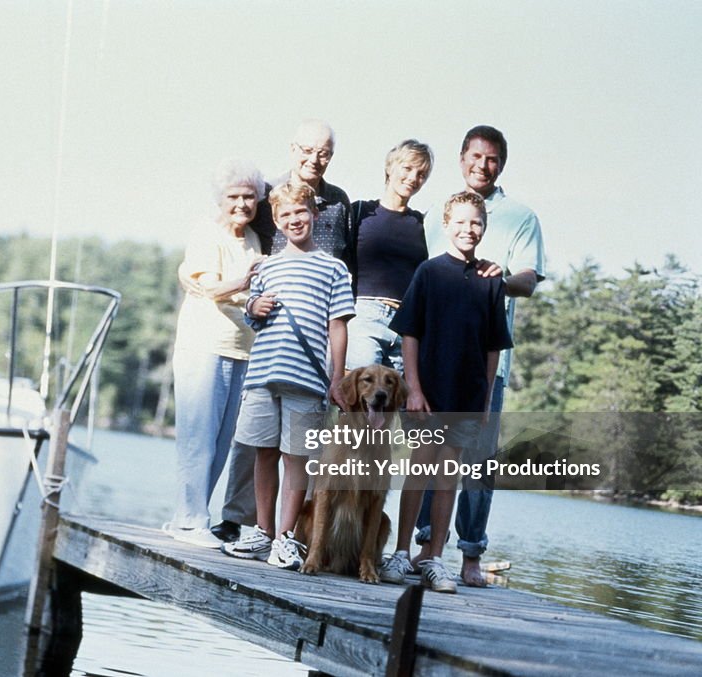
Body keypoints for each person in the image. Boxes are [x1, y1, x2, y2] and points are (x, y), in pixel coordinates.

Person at [414, 125, 546, 586]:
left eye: (491, 159)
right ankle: (425, 549)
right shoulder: (438, 212)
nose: (481, 165)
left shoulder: (521, 217)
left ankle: (470, 554)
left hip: (486, 363)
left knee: (476, 463)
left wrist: (496, 278)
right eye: (474, 156)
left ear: (501, 164)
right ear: (461, 157)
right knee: (429, 457)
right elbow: (422, 276)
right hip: (434, 357)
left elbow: (528, 281)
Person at [211, 119, 351, 543]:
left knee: (297, 448)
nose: (314, 158)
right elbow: (236, 227)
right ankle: (241, 519)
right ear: (293, 150)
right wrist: (246, 294)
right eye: (307, 150)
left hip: (310, 332)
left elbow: (343, 269)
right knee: (255, 439)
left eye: (323, 152)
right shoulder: (270, 191)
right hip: (271, 327)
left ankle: (288, 533)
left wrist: (336, 370)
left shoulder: (339, 201)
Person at [380, 192, 513, 593]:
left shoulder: (492, 284)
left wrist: (486, 401)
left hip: (467, 396)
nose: (468, 229)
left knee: (447, 477)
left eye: (475, 223)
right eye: (460, 222)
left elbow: (494, 348)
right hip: (429, 391)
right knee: (419, 470)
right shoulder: (429, 272)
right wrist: (414, 390)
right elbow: (410, 333)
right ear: (446, 224)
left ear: (485, 228)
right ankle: (402, 553)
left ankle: (435, 558)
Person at [165, 158, 266, 548]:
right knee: (198, 437)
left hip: (241, 349)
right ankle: (191, 522)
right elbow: (207, 286)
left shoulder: (253, 239)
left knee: (222, 442)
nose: (242, 204)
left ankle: (188, 517)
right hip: (203, 345)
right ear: (220, 199)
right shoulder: (206, 231)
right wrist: (248, 283)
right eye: (234, 196)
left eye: (249, 197)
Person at [343, 139, 433, 372]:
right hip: (365, 316)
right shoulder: (360, 212)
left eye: (421, 173)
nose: (413, 177)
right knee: (360, 402)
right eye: (408, 168)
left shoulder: (423, 223)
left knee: (394, 404)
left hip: (406, 323)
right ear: (390, 167)